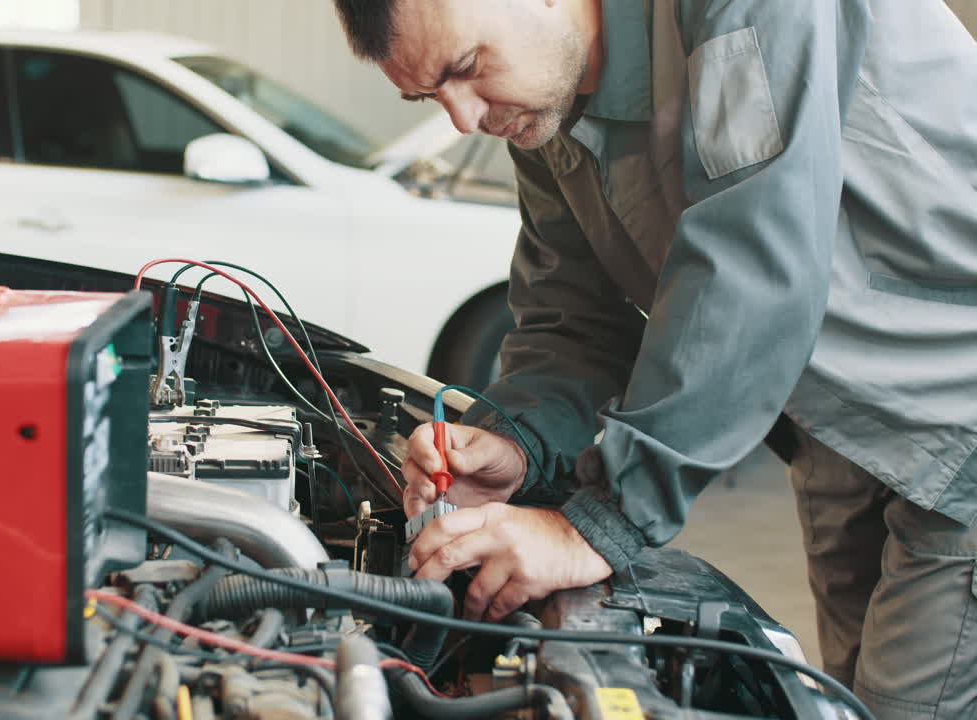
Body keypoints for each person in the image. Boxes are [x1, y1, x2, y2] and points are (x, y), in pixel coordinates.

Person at [330, 0, 977, 716]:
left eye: (467, 69)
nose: (462, 118)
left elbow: (754, 257)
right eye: (429, 96)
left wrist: (600, 520)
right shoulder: (546, 111)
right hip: (842, 437)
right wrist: (516, 439)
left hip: (957, 421)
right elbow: (572, 316)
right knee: (842, 700)